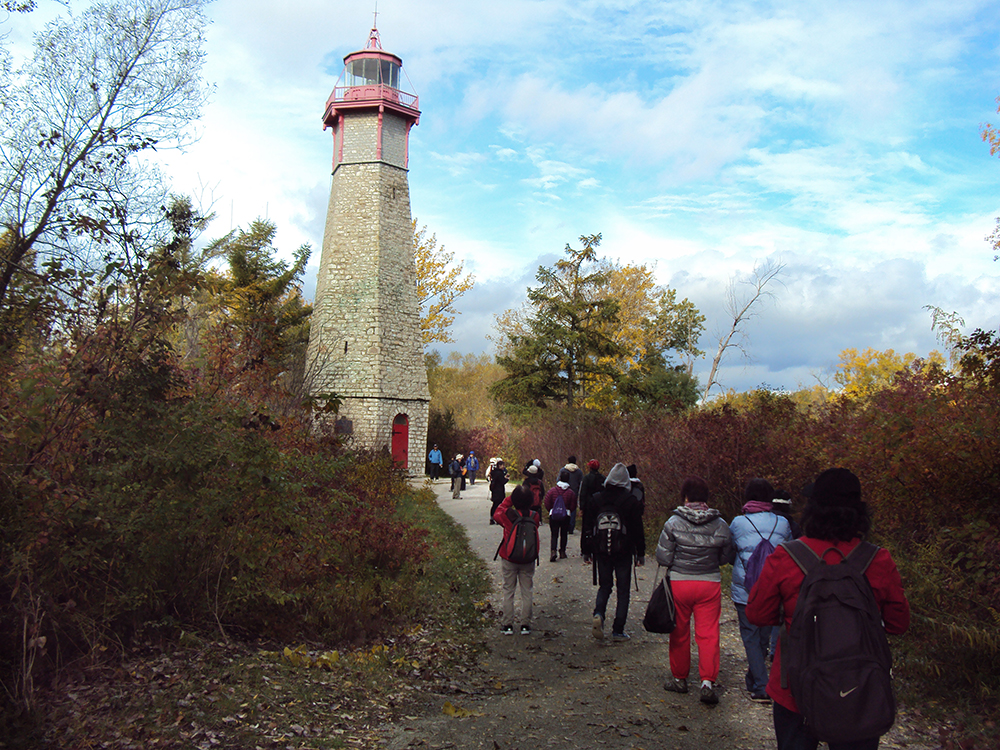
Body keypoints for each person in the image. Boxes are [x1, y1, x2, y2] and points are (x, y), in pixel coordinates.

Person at [746, 468, 910, 750]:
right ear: (859, 511)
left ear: (813, 509)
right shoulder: (878, 559)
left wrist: (793, 617)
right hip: (860, 689)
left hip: (794, 689)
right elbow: (899, 623)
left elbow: (757, 614)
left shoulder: (787, 557)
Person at [656, 475, 735, 705]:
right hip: (709, 583)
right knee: (708, 633)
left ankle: (680, 679)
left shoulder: (673, 523)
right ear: (706, 498)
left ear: (686, 497)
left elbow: (663, 556)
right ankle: (707, 682)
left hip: (680, 582)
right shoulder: (720, 524)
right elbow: (727, 555)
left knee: (679, 632)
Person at [730, 478, 792, 702]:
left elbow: (730, 551)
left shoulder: (738, 523)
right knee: (764, 637)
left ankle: (760, 685)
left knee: (750, 637)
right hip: (773, 590)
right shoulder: (783, 524)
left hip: (744, 588)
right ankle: (755, 677)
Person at [583, 462, 645, 641]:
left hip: (601, 550)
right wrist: (640, 553)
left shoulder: (596, 499)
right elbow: (637, 529)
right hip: (624, 551)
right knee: (623, 590)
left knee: (605, 586)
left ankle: (599, 614)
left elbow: (588, 526)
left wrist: (586, 550)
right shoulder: (630, 501)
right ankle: (618, 630)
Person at [493, 485, 541, 635]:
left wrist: (509, 500)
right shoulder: (535, 516)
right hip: (528, 558)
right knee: (527, 591)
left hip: (509, 557)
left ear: (515, 500)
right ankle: (525, 624)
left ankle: (507, 624)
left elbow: (496, 513)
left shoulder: (508, 515)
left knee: (508, 589)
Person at [543, 468, 578, 562]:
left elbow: (547, 501)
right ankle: (562, 551)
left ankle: (553, 551)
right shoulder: (571, 493)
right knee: (564, 534)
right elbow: (573, 505)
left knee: (554, 534)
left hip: (553, 515)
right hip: (565, 515)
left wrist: (551, 509)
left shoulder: (552, 490)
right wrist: (568, 511)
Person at [578, 459, 605, 563]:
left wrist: (581, 508)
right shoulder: (603, 479)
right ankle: (597, 549)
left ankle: (585, 551)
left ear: (590, 467)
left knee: (586, 528)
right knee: (598, 527)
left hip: (589, 507)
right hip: (600, 507)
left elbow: (583, 494)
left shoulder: (586, 478)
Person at [563, 456, 584, 534]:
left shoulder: (563, 470)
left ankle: (564, 526)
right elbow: (582, 482)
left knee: (564, 509)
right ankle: (571, 527)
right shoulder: (578, 472)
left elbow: (558, 480)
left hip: (564, 492)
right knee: (573, 510)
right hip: (574, 493)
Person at [488, 459, 510, 524]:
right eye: (502, 465)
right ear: (499, 466)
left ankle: (492, 518)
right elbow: (502, 482)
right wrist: (507, 479)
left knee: (495, 505)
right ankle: (498, 518)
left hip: (494, 490)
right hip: (499, 491)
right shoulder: (499, 473)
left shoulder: (494, 472)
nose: (503, 467)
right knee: (499, 505)